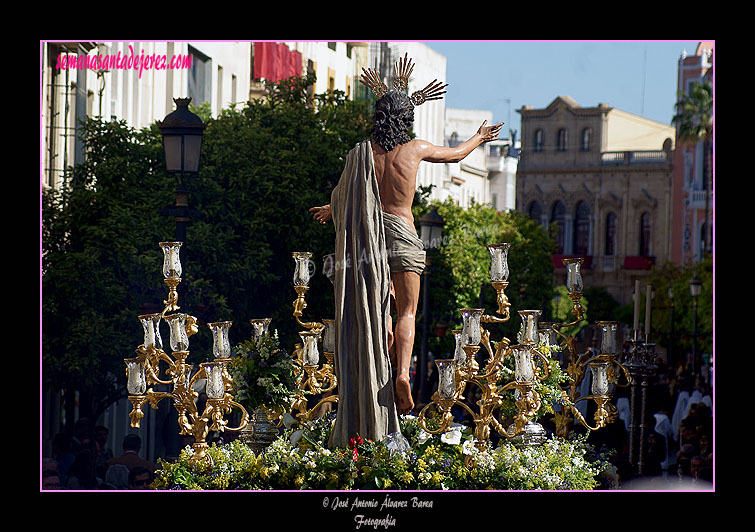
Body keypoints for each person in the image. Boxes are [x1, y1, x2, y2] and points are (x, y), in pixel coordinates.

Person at [310, 54, 502, 449]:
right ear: (405, 120)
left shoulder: (361, 153)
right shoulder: (414, 150)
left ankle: (380, 368)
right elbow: (456, 155)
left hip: (367, 240)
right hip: (401, 231)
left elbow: (347, 195)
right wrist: (480, 137)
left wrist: (332, 210)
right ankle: (402, 371)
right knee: (407, 311)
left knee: (373, 308)